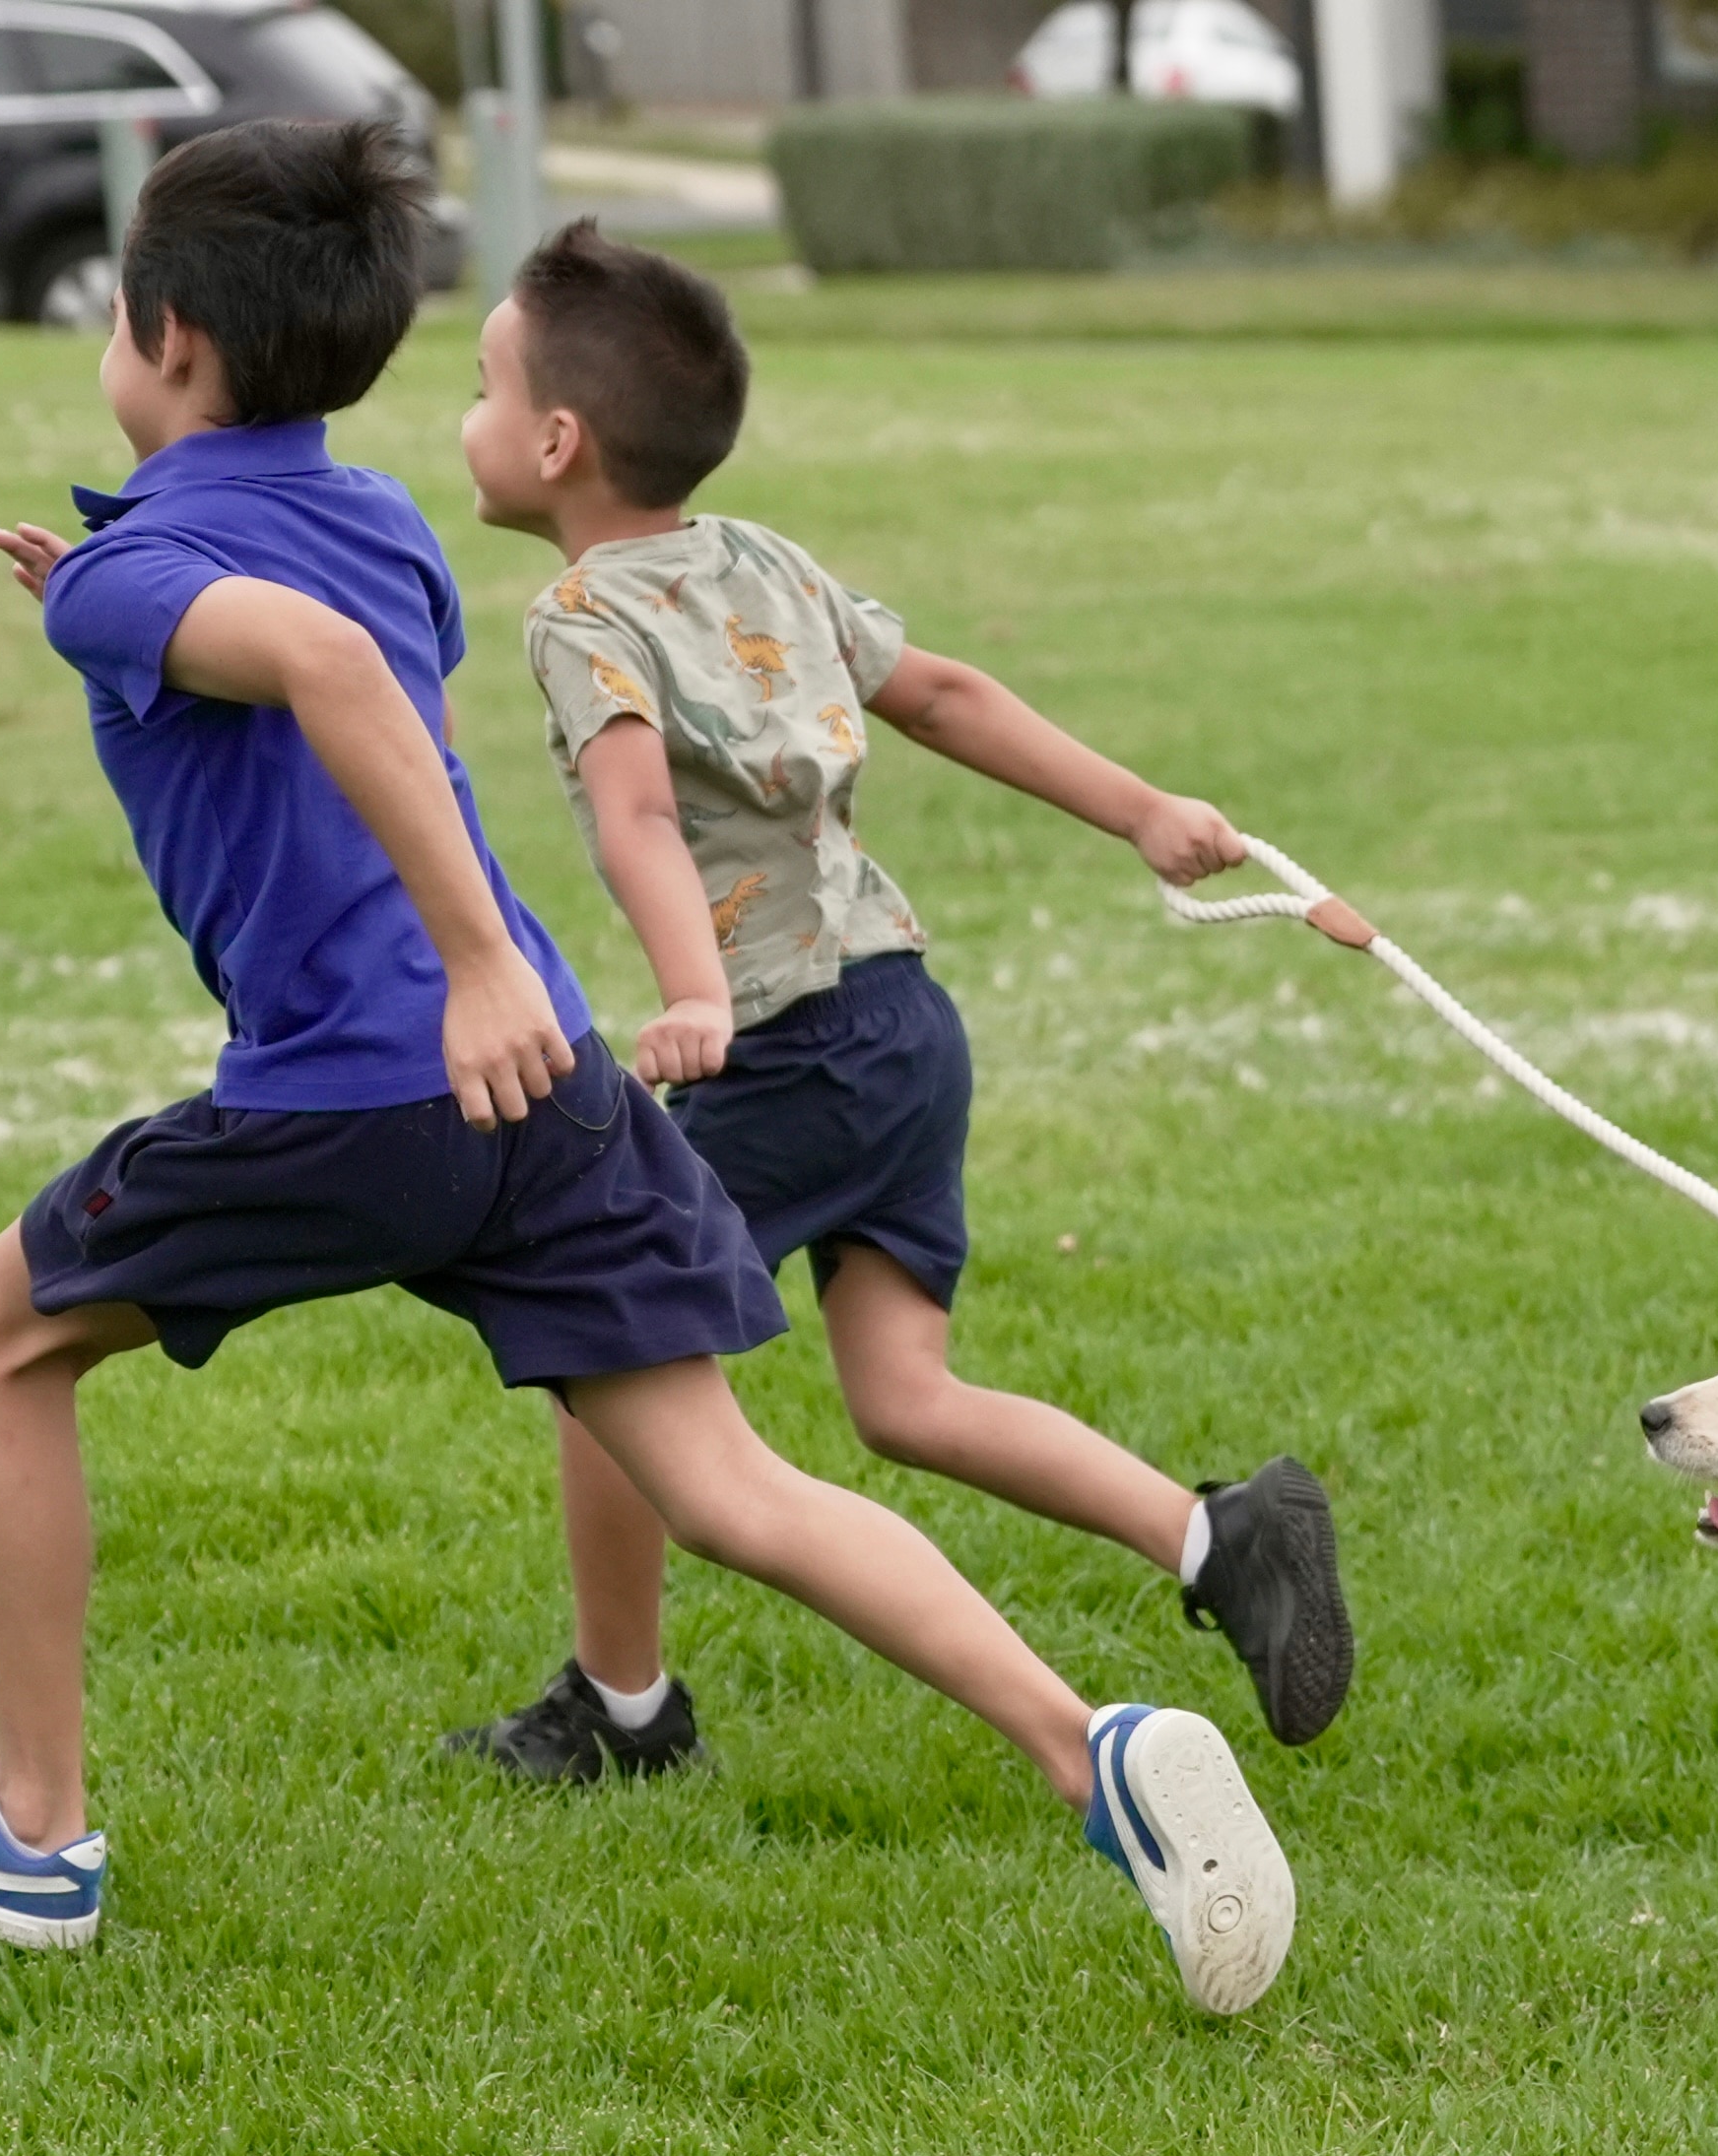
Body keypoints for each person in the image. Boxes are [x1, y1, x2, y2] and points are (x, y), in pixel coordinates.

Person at [0, 122, 1295, 2017]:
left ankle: (26, 1830)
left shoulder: (149, 575)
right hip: (556, 1095)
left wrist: (473, 955)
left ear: (164, 338)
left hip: (360, 1091)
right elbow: (320, 654)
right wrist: (116, 610)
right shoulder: (377, 523)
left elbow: (333, 680)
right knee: (734, 1485)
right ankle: (1094, 1752)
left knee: (0, 1330)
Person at [439, 220, 1355, 1792]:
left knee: (601, 1328)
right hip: (903, 1027)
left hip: (785, 1042)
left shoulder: (583, 616)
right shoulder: (763, 559)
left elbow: (641, 817)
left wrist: (688, 992)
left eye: (477, 386)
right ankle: (1220, 1535)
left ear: (556, 439)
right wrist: (1137, 807)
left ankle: (623, 1707)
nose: (460, 420)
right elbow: (942, 694)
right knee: (904, 1396)